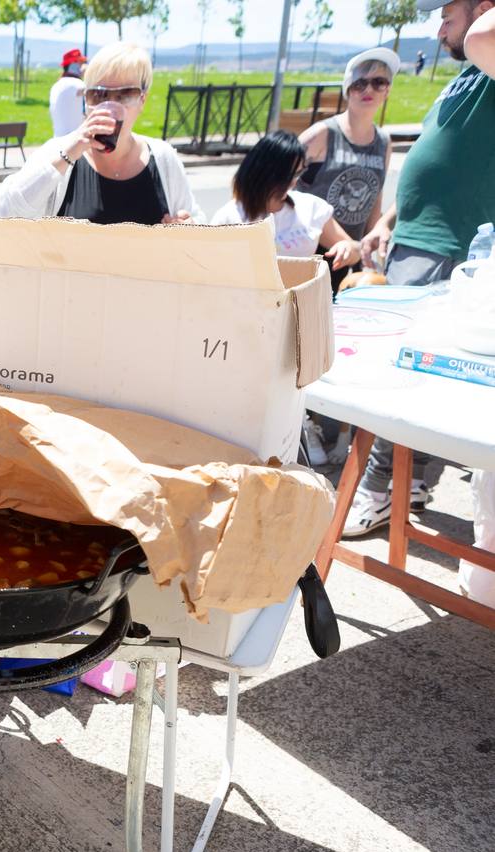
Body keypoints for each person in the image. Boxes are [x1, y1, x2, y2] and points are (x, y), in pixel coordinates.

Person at [347, 0, 495, 537]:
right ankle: (402, 485)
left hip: (454, 242)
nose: (438, 27)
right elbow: (438, 156)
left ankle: (381, 489)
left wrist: (481, 12)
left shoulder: (489, 57)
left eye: (448, 13)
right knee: (402, 373)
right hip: (416, 236)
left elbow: (485, 34)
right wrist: (388, 219)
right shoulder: (466, 77)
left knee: (406, 379)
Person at [0, 42, 203, 225]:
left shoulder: (162, 158)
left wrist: (189, 227)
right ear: (86, 100)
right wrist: (68, 153)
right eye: (98, 94)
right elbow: (9, 213)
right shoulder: (60, 152)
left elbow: (196, 221)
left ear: (142, 100)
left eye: (125, 94)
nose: (110, 104)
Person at [298, 48, 398, 294]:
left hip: (348, 256)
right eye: (359, 84)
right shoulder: (322, 135)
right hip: (309, 254)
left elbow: (374, 199)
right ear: (347, 89)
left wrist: (369, 249)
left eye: (379, 83)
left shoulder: (384, 142)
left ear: (388, 90)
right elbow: (279, 187)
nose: (368, 90)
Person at [210, 131, 362, 268]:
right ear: (260, 172)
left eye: (298, 173)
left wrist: (347, 248)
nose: (293, 182)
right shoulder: (229, 217)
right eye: (286, 176)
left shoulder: (311, 207)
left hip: (300, 296)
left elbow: (354, 249)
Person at [50, 48, 87, 137]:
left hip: (58, 139)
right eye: (81, 63)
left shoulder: (57, 84)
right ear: (74, 66)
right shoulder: (75, 83)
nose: (83, 65)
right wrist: (88, 73)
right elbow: (95, 91)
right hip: (72, 140)